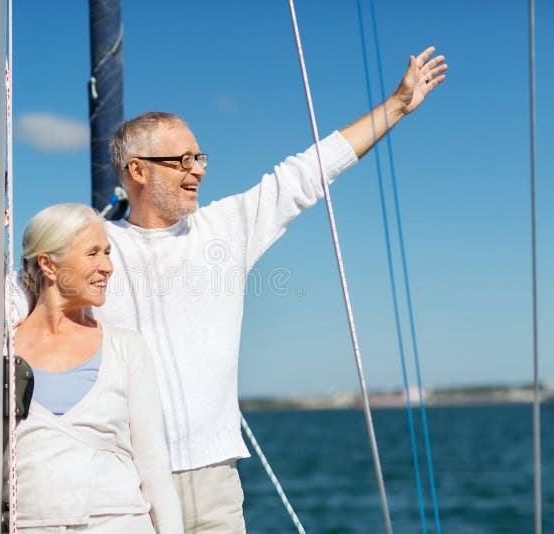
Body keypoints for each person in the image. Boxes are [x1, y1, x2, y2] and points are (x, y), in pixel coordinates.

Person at [83, 46, 448, 533]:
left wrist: (398, 105)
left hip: (214, 486)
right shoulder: (93, 249)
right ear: (138, 170)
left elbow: (307, 172)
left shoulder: (225, 229)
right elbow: (20, 306)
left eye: (200, 157)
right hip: (123, 485)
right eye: (183, 160)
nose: (199, 169)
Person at [0, 204, 183, 533]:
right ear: (47, 263)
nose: (108, 267)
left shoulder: (126, 347)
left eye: (107, 253)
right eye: (92, 253)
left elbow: (155, 470)